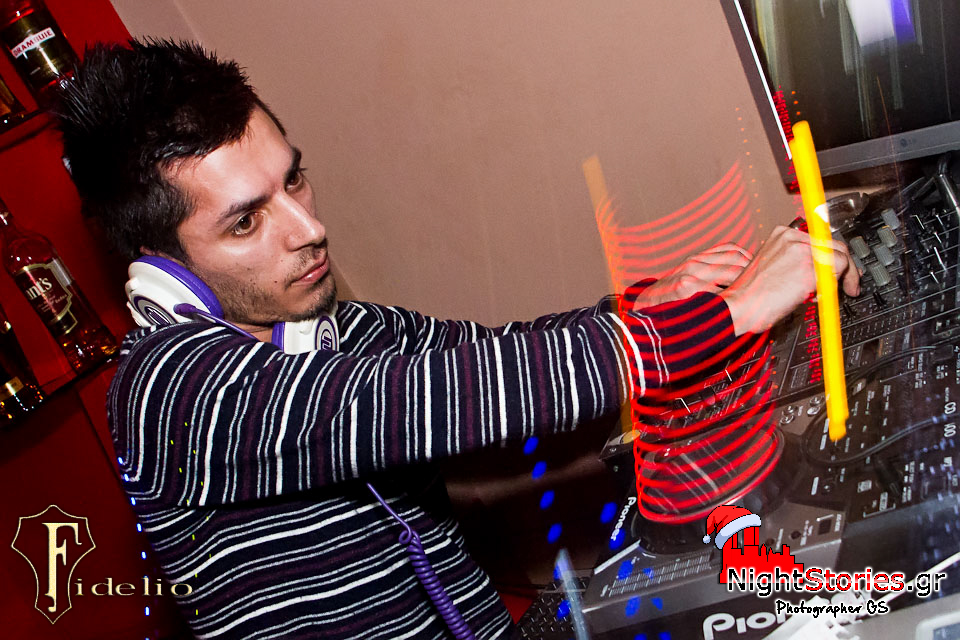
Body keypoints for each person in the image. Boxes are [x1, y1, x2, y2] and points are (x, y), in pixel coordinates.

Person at [52, 39, 859, 640]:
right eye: (246, 221)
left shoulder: (329, 330)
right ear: (163, 264)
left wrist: (662, 299)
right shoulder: (168, 393)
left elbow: (498, 354)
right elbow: (438, 399)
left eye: (293, 178)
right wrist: (732, 314)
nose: (308, 228)